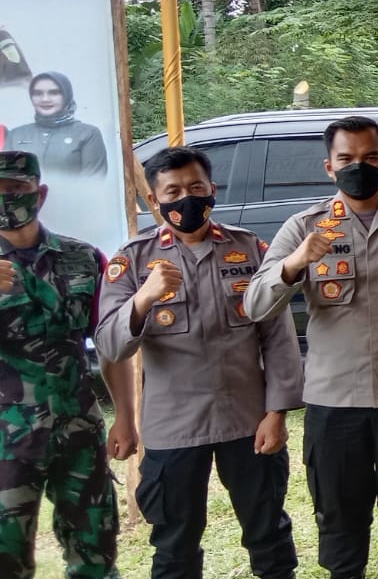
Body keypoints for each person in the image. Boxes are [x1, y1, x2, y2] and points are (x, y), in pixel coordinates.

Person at [244, 116, 378, 579]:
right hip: (334, 401)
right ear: (328, 166)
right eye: (346, 159)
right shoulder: (304, 226)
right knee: (340, 521)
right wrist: (297, 261)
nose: (358, 166)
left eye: (369, 158)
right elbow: (256, 303)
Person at [94, 146, 304, 579]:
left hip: (247, 421)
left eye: (196, 187)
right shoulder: (132, 260)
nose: (186, 198)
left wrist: (277, 412)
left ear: (213, 190)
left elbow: (278, 338)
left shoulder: (250, 249)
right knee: (175, 545)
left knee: (269, 536)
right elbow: (110, 345)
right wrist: (144, 297)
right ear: (154, 201)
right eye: (172, 191)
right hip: (174, 426)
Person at [0, 150, 136, 578]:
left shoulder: (83, 258)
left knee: (95, 553)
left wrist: (126, 419)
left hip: (79, 428)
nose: (7, 199)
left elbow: (110, 344)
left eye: (16, 189)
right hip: (7, 439)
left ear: (39, 194)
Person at [7, 72, 108, 177]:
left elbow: (94, 182)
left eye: (54, 93)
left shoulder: (88, 134)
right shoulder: (15, 135)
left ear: (66, 96)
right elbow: (6, 179)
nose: (45, 99)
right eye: (38, 93)